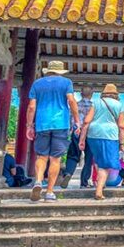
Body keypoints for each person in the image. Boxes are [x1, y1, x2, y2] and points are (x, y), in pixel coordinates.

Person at [27, 60, 80, 202]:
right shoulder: (66, 82)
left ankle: (38, 181)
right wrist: (77, 120)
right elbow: (71, 101)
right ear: (60, 71)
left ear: (48, 71)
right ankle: (49, 192)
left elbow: (32, 106)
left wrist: (29, 125)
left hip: (42, 123)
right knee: (55, 159)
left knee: (41, 156)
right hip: (61, 124)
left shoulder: (37, 84)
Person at [80, 83, 124, 201]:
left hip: (93, 134)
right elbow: (121, 126)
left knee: (99, 159)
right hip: (110, 135)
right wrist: (122, 143)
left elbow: (86, 121)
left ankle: (101, 183)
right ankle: (99, 191)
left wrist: (82, 139)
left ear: (103, 93)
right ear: (116, 94)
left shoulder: (96, 102)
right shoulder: (119, 105)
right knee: (105, 165)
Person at [62, 87, 95, 189]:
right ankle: (84, 182)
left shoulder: (75, 105)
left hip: (77, 131)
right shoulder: (94, 106)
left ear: (81, 94)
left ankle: (68, 173)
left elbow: (70, 120)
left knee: (73, 155)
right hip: (90, 133)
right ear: (92, 94)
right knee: (88, 158)